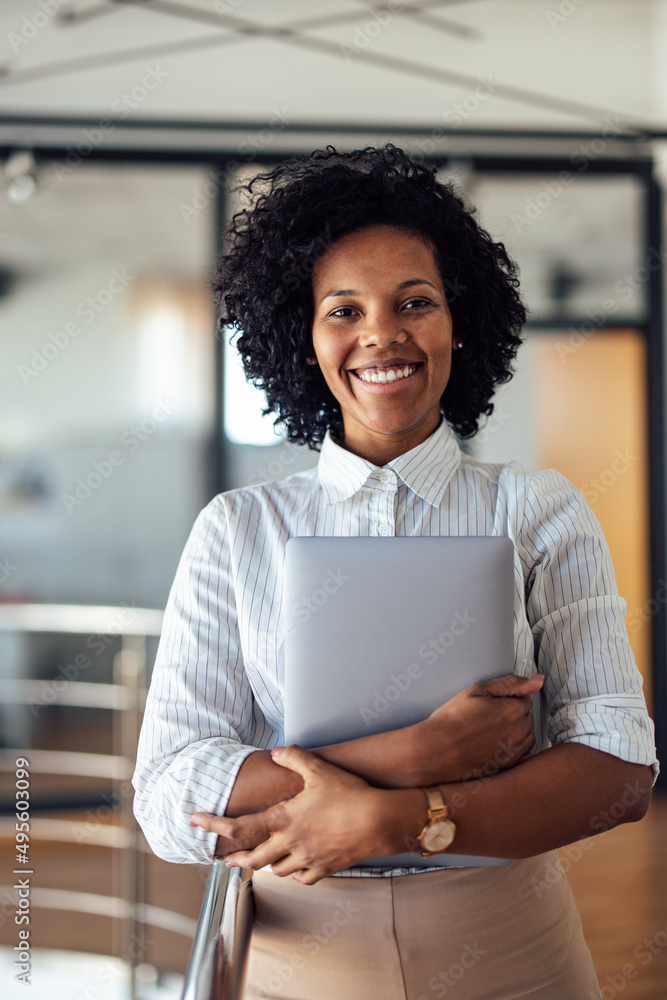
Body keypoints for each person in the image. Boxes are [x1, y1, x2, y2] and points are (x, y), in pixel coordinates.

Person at [132, 144, 658, 1000]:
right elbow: (168, 799)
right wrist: (416, 755)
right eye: (343, 310)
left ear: (459, 323)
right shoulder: (237, 529)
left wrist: (392, 819)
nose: (381, 333)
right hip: (294, 954)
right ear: (301, 339)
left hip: (508, 946)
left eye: (415, 302)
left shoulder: (536, 510)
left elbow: (619, 771)